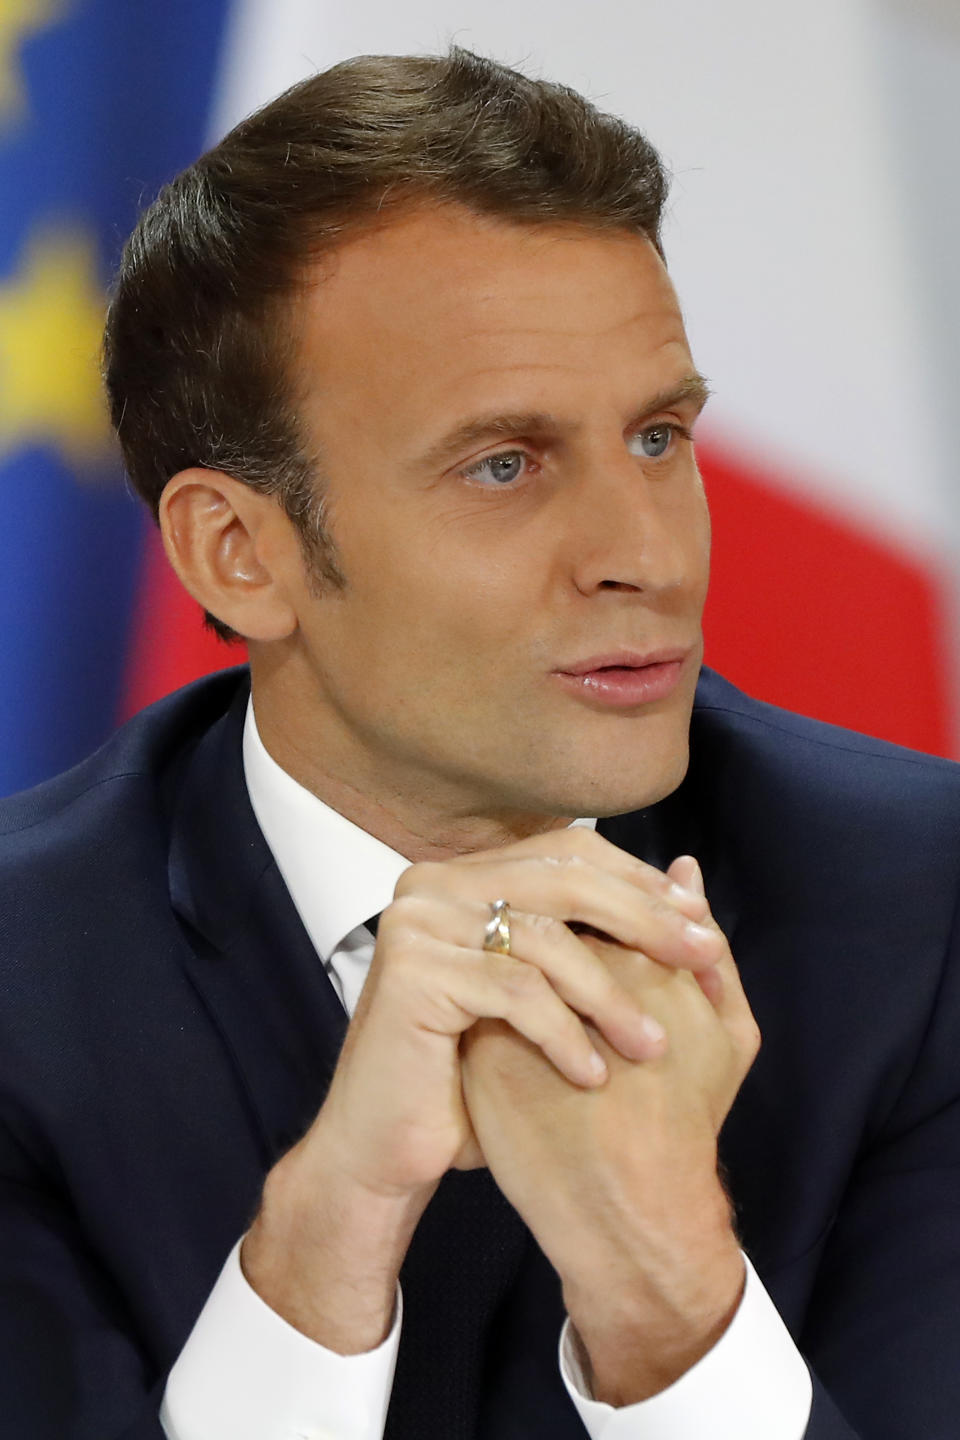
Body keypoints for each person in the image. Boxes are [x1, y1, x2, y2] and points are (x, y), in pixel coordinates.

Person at [1, 46, 958, 1440]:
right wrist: (321, 1250)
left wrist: (669, 1289)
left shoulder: (919, 914)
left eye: (656, 437)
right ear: (238, 553)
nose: (647, 554)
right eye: (502, 464)